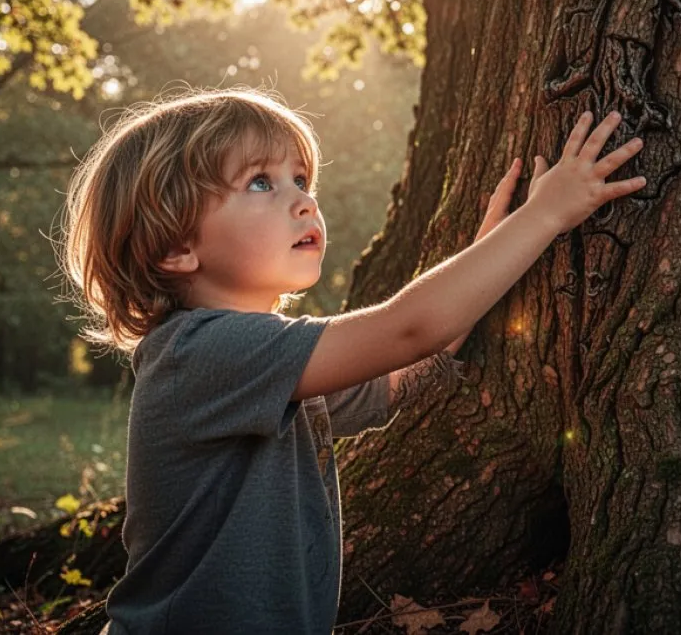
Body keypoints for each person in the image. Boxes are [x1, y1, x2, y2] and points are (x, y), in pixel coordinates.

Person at [61, 87, 646, 634]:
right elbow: (407, 331)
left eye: (300, 178)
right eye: (261, 184)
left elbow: (397, 376)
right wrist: (545, 216)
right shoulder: (202, 351)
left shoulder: (268, 361)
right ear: (175, 246)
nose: (302, 201)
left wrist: (496, 251)